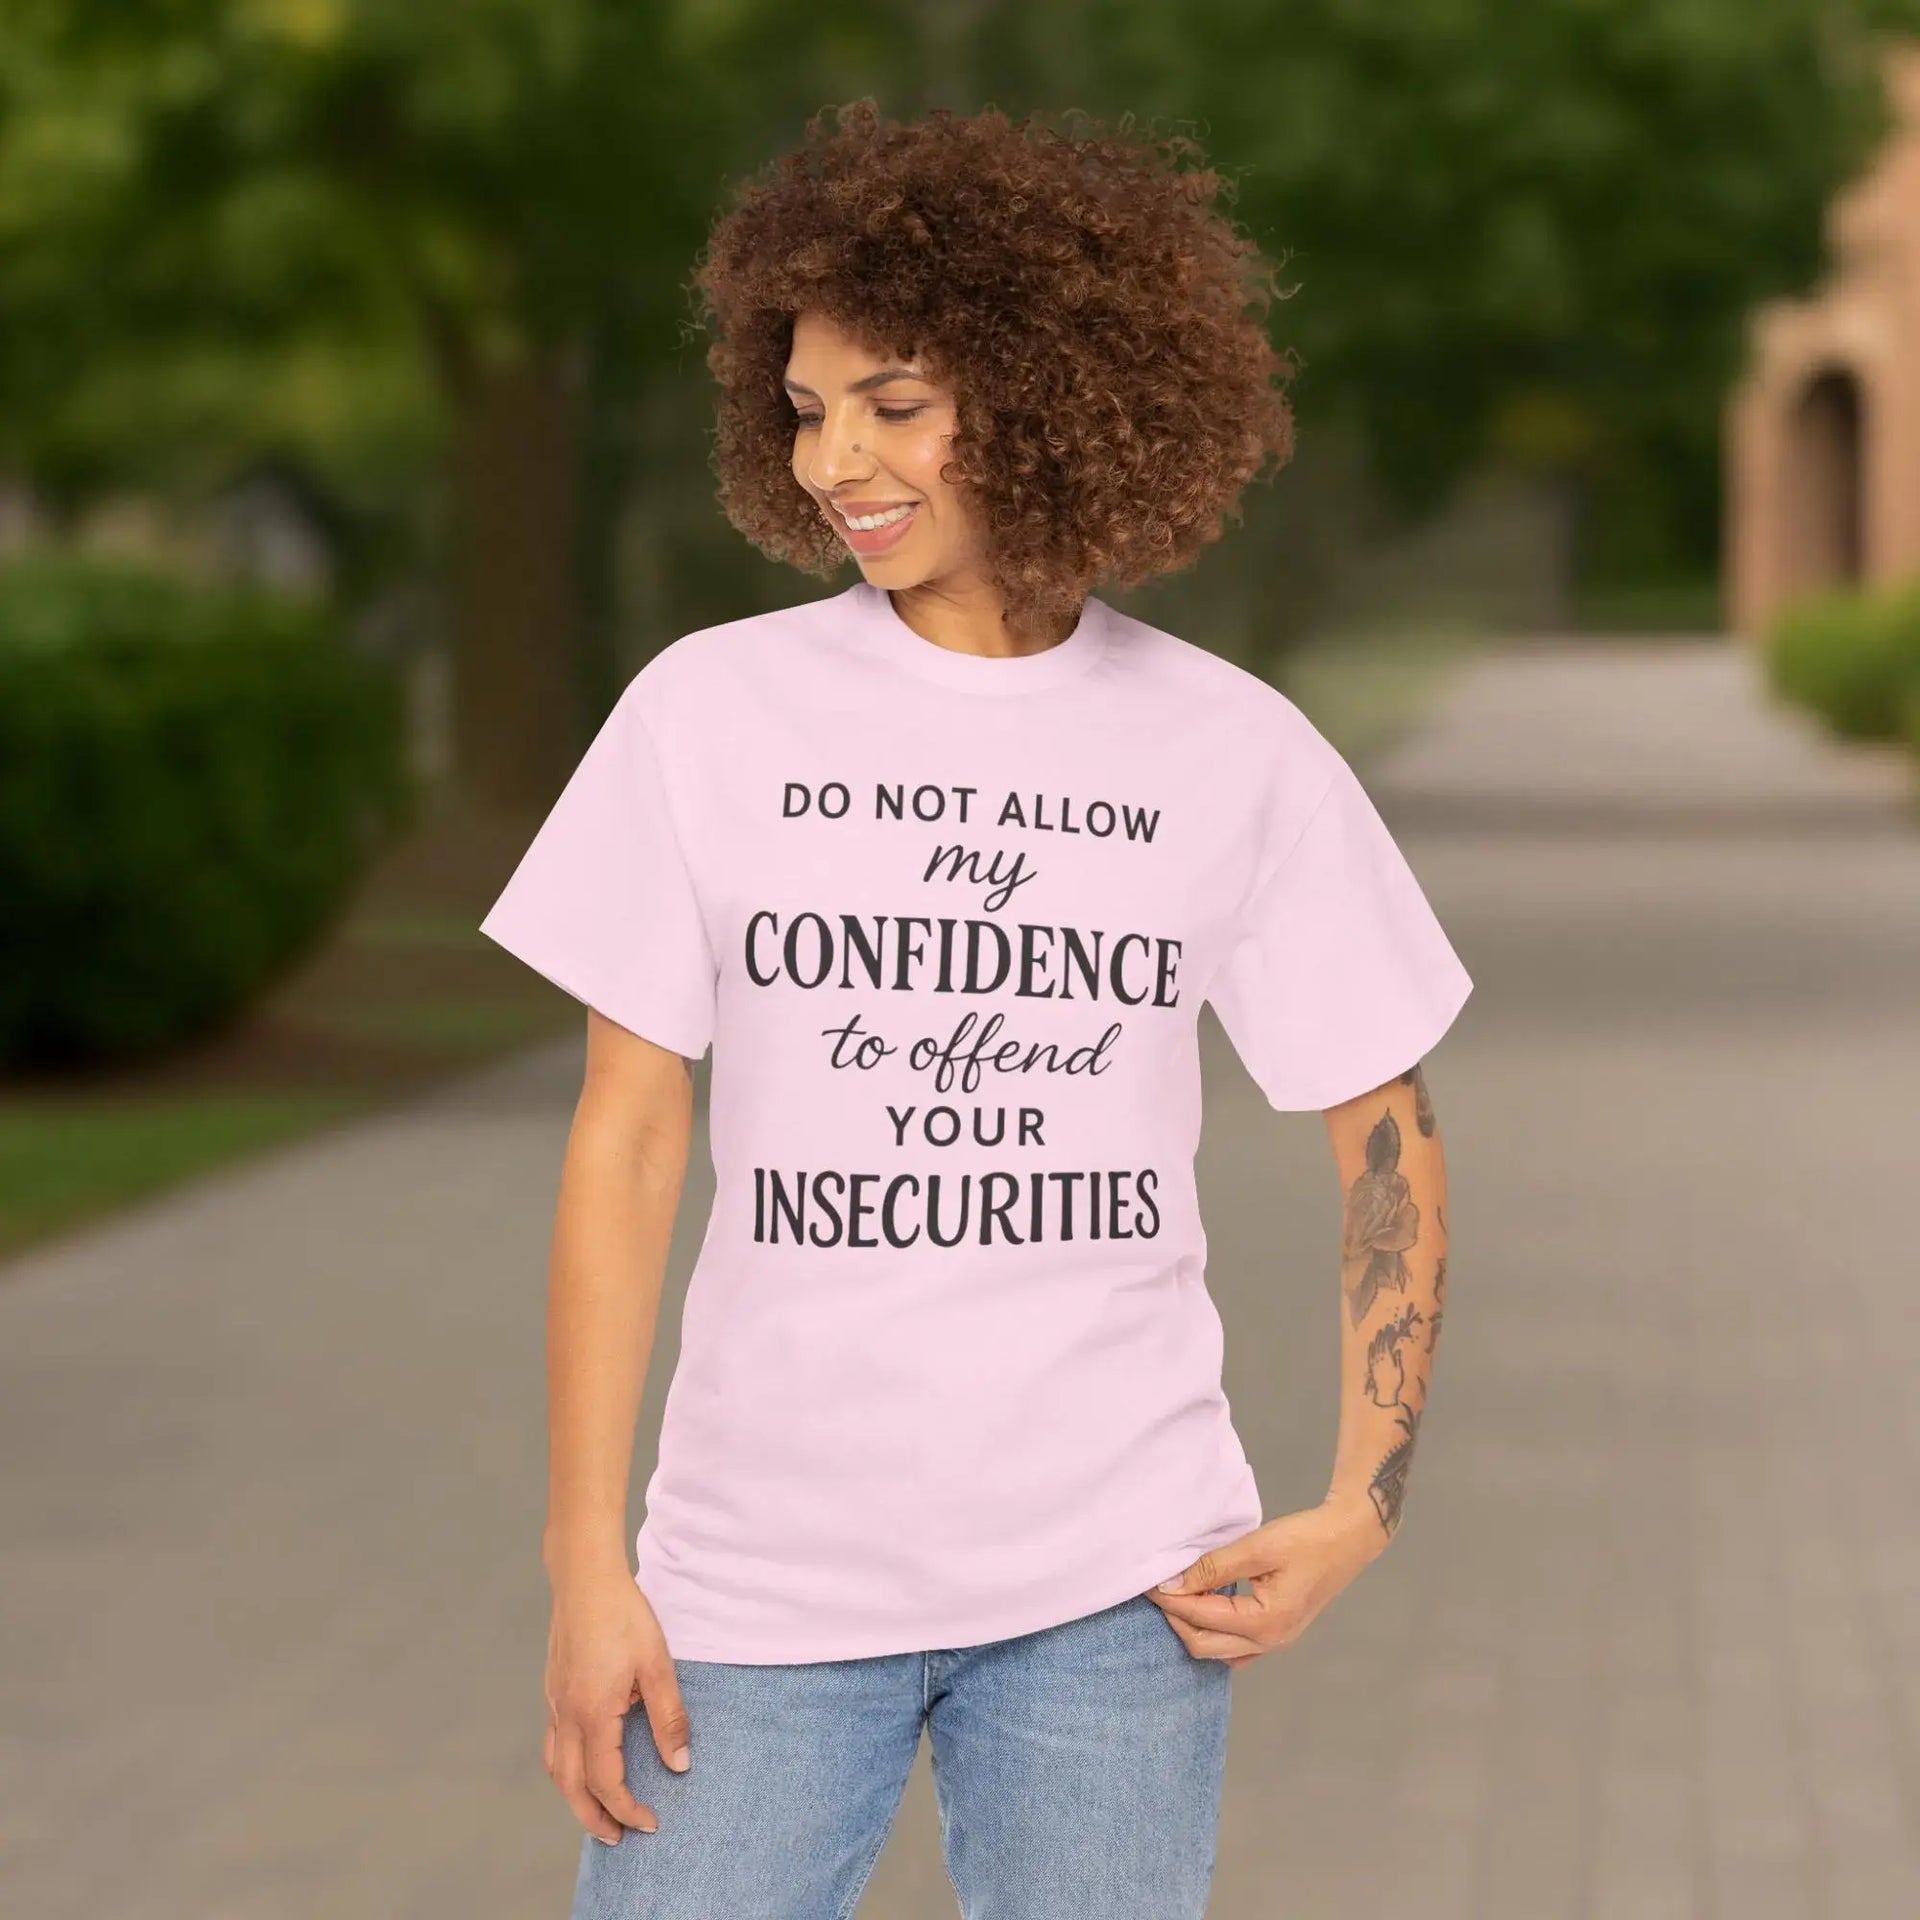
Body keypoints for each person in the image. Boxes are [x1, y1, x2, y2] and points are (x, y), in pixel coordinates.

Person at [479, 97, 1471, 1920]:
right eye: (804, 407)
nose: (836, 458)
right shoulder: (710, 715)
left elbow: (1383, 1126)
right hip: (757, 1589)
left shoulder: (1227, 749)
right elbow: (624, 1143)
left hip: (1121, 1594)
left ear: (1047, 390)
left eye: (896, 402)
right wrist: (583, 1568)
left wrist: (1361, 1506)